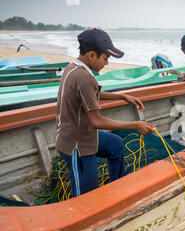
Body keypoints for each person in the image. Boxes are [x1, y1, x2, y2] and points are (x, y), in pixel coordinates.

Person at [55, 28, 154, 198]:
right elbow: (97, 121)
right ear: (92, 55)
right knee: (87, 197)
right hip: (76, 145)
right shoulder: (85, 77)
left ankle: (116, 190)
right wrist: (135, 125)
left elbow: (92, 94)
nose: (106, 63)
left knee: (115, 145)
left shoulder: (74, 68)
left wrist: (123, 96)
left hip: (85, 135)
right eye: (105, 58)